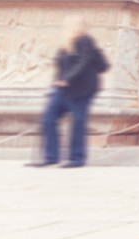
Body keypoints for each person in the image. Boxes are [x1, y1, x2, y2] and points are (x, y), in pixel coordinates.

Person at [30, 17, 108, 168]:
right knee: (48, 119)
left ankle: (77, 158)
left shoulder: (85, 40)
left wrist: (67, 79)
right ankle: (50, 156)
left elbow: (84, 62)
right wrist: (54, 86)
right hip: (62, 89)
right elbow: (61, 67)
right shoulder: (65, 44)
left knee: (78, 121)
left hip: (81, 89)